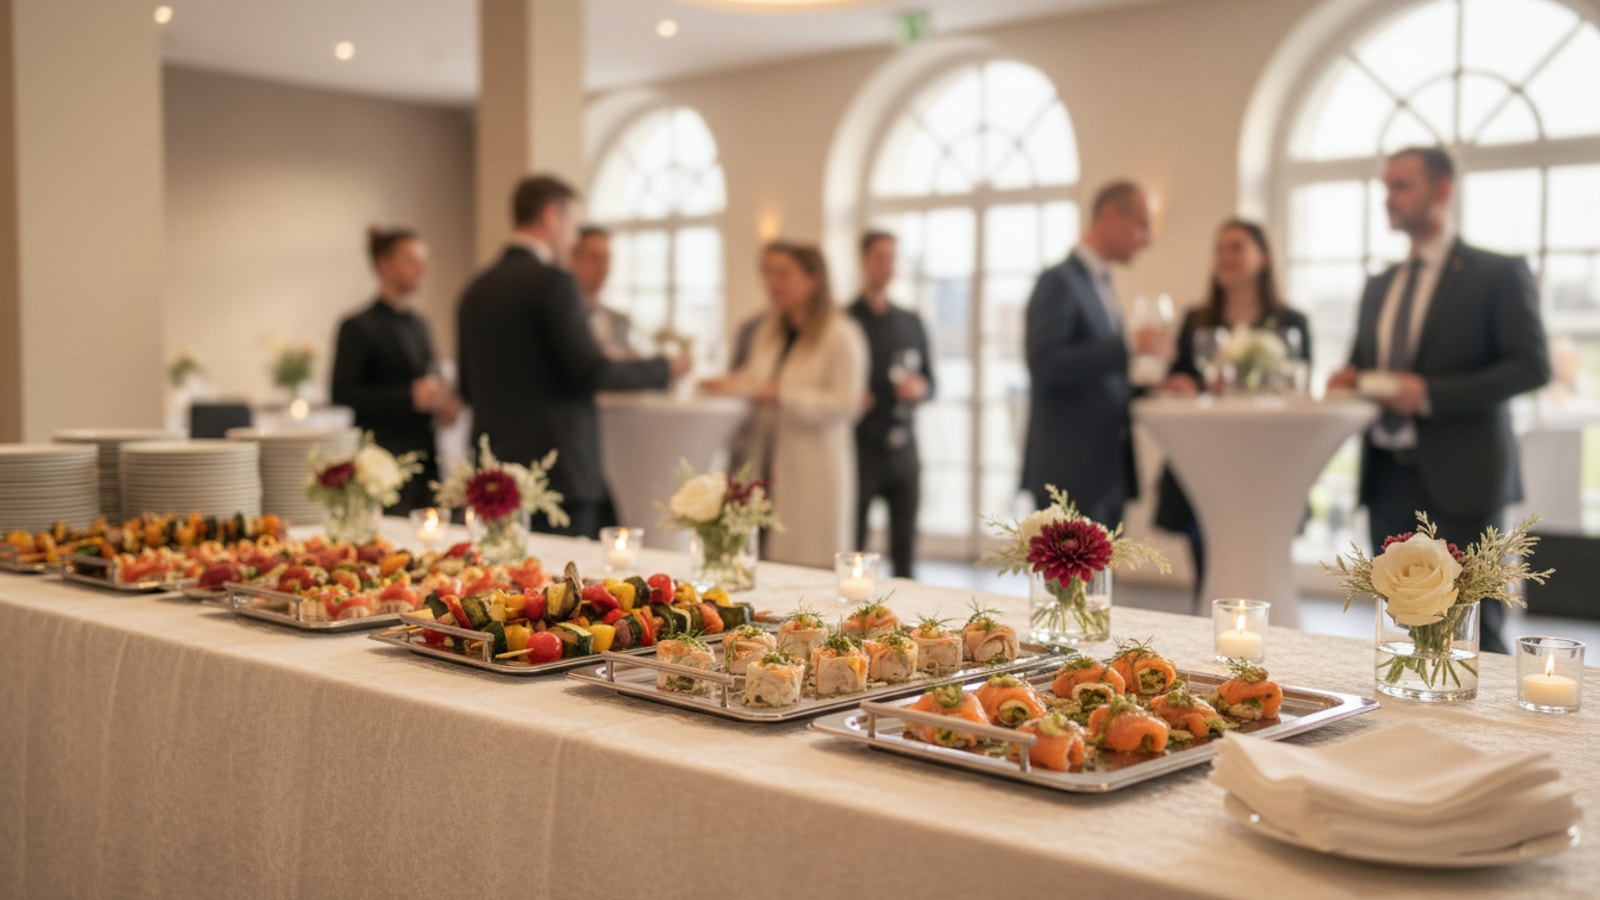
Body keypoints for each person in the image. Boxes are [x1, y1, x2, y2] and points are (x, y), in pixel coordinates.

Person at [1328, 146, 1550, 655]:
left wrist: (1430, 395)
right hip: (1386, 478)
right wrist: (1350, 378)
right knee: (1400, 627)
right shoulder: (1379, 285)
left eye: (1401, 186)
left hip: (1464, 480)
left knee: (1475, 629)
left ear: (1442, 190)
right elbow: (1365, 364)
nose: (1389, 198)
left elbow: (1530, 366)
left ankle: (1490, 738)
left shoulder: (1496, 273)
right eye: (1386, 187)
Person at [456, 175, 691, 538]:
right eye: (573, 226)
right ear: (551, 217)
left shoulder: (475, 289)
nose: (574, 238)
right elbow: (590, 370)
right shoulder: (554, 282)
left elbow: (468, 388)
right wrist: (665, 367)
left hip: (495, 476)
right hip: (559, 470)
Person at [1154, 219, 1311, 607]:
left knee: (1261, 566)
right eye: (1220, 248)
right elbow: (1177, 380)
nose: (1226, 256)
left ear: (1263, 257)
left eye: (1237, 247)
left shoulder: (1292, 322)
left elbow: (1298, 391)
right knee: (1208, 571)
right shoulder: (1196, 320)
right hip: (1206, 461)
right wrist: (1186, 386)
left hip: (1267, 464)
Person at [707, 242, 868, 568]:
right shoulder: (770, 331)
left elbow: (847, 402)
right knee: (763, 554)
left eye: (783, 274)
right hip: (765, 459)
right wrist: (723, 384)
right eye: (768, 273)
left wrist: (785, 396)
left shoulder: (842, 334)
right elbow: (755, 378)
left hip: (812, 465)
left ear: (814, 281)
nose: (772, 282)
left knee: (805, 557)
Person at [1022, 181, 1171, 526]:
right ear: (1109, 215)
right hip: (1069, 471)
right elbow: (1044, 365)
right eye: (1142, 224)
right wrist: (1130, 345)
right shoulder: (1057, 281)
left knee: (1101, 581)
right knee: (1067, 581)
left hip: (1106, 469)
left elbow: (1099, 383)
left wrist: (1153, 390)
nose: (1146, 239)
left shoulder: (1101, 284)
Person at [331, 226, 459, 515]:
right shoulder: (358, 326)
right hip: (383, 463)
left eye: (424, 260)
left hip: (426, 459)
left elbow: (430, 378)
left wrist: (444, 404)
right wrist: (408, 397)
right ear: (384, 265)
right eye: (412, 260)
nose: (422, 268)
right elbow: (342, 394)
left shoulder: (420, 324)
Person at [847, 230, 933, 578]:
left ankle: (908, 627)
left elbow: (931, 381)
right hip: (860, 446)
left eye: (892, 258)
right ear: (864, 261)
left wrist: (920, 388)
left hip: (904, 448)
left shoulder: (910, 322)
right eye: (879, 257)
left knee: (905, 551)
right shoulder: (845, 320)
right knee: (854, 548)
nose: (887, 266)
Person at [571, 225, 637, 360]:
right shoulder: (561, 317)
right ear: (574, 259)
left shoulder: (620, 320)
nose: (602, 267)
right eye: (594, 258)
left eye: (606, 258)